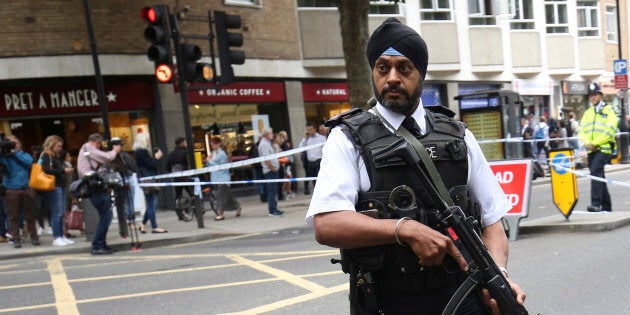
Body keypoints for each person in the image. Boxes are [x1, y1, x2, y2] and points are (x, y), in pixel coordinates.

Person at [306, 18, 525, 314]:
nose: (392, 78)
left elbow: (492, 221)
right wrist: (404, 229)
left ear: (421, 73)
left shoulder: (458, 135)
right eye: (383, 68)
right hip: (389, 300)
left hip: (464, 293)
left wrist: (498, 276)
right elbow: (327, 223)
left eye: (404, 68)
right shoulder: (346, 139)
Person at [77, 133, 121, 255]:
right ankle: (97, 245)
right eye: (100, 144)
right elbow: (107, 157)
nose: (100, 146)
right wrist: (115, 150)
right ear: (97, 142)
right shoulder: (90, 149)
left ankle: (102, 244)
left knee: (105, 215)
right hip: (95, 187)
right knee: (106, 216)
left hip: (94, 186)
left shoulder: (84, 149)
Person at [580, 83, 618, 212]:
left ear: (600, 96)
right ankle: (607, 206)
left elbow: (610, 130)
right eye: (591, 95)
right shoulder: (588, 113)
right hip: (591, 149)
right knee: (599, 176)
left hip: (604, 149)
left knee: (595, 172)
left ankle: (595, 204)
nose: (593, 97)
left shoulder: (609, 110)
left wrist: (595, 143)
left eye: (595, 94)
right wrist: (588, 143)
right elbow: (582, 130)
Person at [0, 135, 39, 248]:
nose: (13, 145)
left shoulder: (23, 155)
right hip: (11, 189)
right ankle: (16, 238)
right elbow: (4, 167)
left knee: (30, 215)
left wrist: (15, 153)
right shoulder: (4, 157)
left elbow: (29, 162)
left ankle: (34, 237)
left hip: (26, 187)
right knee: (13, 216)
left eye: (15, 143)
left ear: (19, 144)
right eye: (11, 143)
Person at [41, 135, 75, 246]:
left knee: (61, 212)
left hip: (60, 185)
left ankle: (61, 235)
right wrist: (63, 170)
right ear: (51, 144)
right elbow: (46, 170)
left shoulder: (55, 156)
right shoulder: (46, 155)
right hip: (54, 186)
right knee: (57, 212)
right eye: (58, 146)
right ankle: (57, 236)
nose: (60, 148)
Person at [134, 132, 167, 233]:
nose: (150, 141)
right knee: (151, 203)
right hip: (148, 179)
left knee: (151, 203)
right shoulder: (141, 152)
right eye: (148, 139)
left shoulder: (140, 151)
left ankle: (143, 224)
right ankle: (154, 227)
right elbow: (150, 164)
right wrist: (157, 157)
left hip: (147, 178)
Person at [205, 137, 241, 220]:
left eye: (214, 143)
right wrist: (208, 161)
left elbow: (220, 166)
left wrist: (209, 161)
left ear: (218, 144)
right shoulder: (212, 153)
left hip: (223, 178)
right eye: (211, 144)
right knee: (228, 196)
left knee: (219, 196)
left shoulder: (222, 154)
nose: (212, 145)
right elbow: (209, 166)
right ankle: (237, 207)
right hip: (215, 178)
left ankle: (220, 213)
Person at [258, 127, 283, 217]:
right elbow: (266, 158)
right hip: (270, 171)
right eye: (271, 133)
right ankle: (272, 210)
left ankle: (274, 208)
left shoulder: (267, 143)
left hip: (272, 170)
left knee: (274, 190)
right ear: (266, 134)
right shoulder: (264, 144)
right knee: (272, 190)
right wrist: (272, 167)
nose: (272, 134)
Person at [299, 122, 327, 195]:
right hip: (310, 163)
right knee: (313, 180)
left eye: (311, 129)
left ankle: (323, 193)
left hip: (319, 161)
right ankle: (317, 194)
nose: (309, 131)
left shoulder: (321, 138)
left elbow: (326, 149)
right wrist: (305, 138)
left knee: (320, 179)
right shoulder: (307, 139)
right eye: (308, 130)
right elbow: (300, 148)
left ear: (315, 129)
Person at [166, 136, 192, 212]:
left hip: (176, 177)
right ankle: (195, 208)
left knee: (178, 194)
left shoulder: (170, 154)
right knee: (192, 193)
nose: (186, 144)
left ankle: (178, 210)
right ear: (182, 143)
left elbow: (167, 167)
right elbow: (189, 163)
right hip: (185, 176)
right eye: (185, 142)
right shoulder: (185, 152)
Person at [278, 131, 296, 199]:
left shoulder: (283, 143)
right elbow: (284, 153)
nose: (286, 137)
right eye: (285, 135)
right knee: (287, 177)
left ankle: (287, 191)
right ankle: (287, 192)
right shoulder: (283, 143)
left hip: (285, 163)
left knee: (287, 177)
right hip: (285, 163)